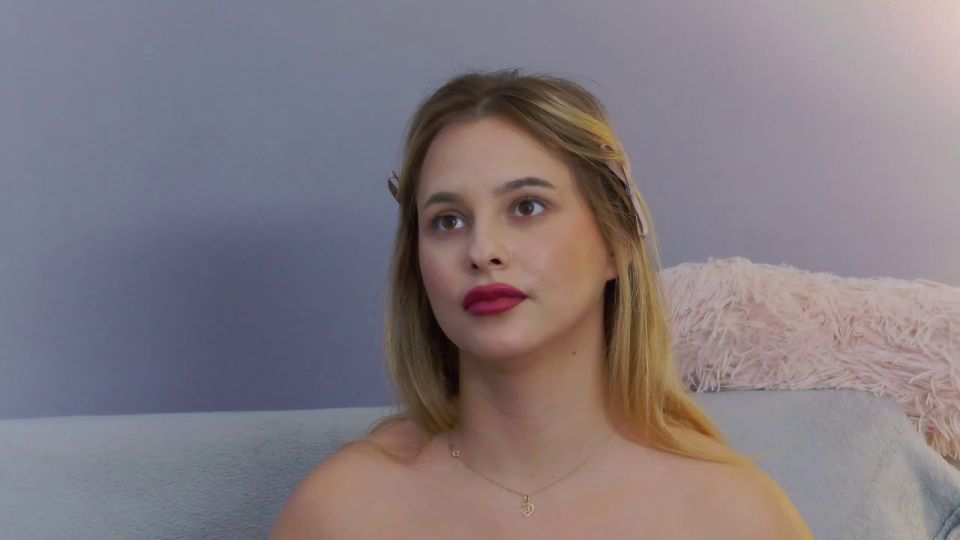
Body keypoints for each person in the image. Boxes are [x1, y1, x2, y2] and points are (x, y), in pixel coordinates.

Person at [269, 67, 813, 539]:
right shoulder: (340, 513)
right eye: (448, 220)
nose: (482, 250)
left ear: (618, 241)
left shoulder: (735, 516)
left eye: (527, 207)